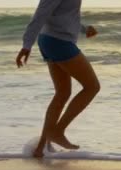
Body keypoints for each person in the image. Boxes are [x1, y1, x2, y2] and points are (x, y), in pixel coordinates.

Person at [16, 0, 100, 158]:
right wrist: (26, 45)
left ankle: (40, 149)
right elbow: (41, 14)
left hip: (53, 41)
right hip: (58, 42)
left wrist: (84, 28)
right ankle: (58, 131)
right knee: (92, 87)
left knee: (62, 93)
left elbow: (63, 15)